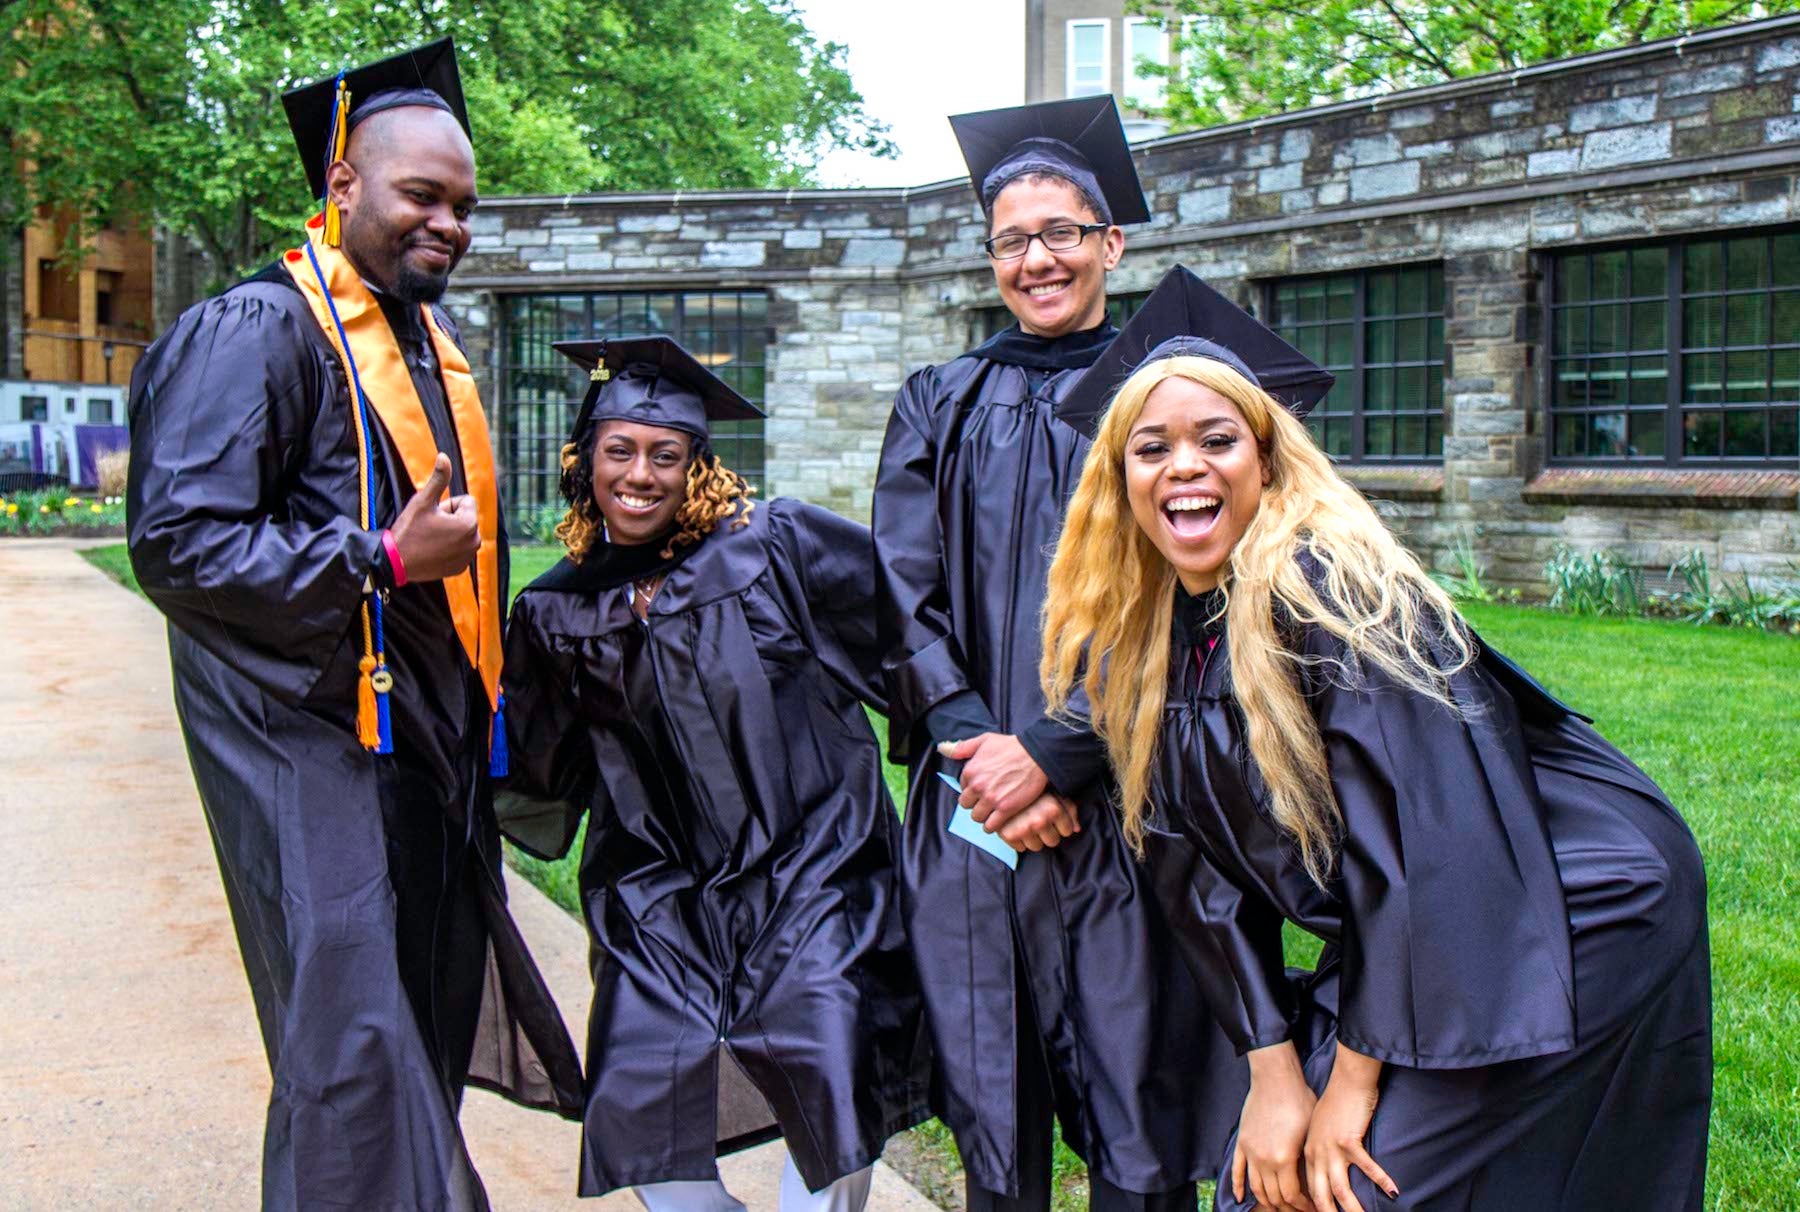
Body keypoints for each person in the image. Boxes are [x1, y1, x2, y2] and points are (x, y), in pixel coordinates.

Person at [1040, 265, 1714, 1212]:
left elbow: (1428, 841)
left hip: (1573, 897)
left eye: (1217, 439)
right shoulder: (1150, 649)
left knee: (1354, 1187)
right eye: (1152, 448)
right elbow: (1193, 879)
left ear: (1267, 461)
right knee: (1261, 1188)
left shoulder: (1335, 595)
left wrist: (1350, 1083)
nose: (1183, 465)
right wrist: (1274, 1076)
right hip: (1415, 922)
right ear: (1120, 485)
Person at [126, 39, 582, 1212]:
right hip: (304, 745)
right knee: (353, 1051)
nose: (449, 223)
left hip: (415, 753)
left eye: (464, 205)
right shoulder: (260, 331)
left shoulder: (424, 344)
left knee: (420, 1028)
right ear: (342, 184)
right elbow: (179, 543)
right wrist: (379, 558)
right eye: (421, 195)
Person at [872, 97, 1247, 1212]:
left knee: (1142, 1115)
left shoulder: (1166, 401)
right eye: (1012, 240)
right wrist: (977, 752)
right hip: (973, 804)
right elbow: (901, 591)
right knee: (995, 1114)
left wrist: (1055, 752)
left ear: (1111, 244)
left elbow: (1196, 593)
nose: (1037, 260)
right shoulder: (939, 402)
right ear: (991, 255)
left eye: (1062, 234)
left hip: (1133, 801)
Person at [498, 336, 930, 1212]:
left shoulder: (777, 546)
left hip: (813, 866)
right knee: (641, 1099)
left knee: (828, 1069)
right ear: (586, 461)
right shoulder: (552, 609)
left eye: (667, 455)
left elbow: (912, 645)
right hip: (655, 889)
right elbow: (539, 766)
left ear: (698, 463)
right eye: (620, 451)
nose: (642, 475)